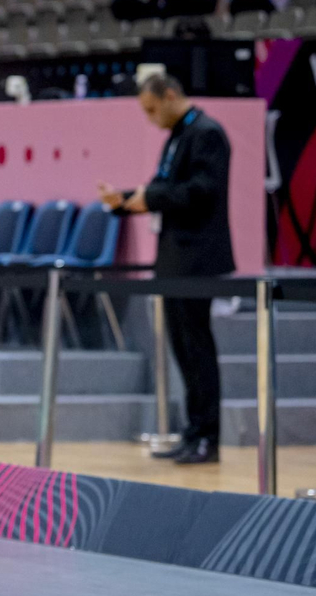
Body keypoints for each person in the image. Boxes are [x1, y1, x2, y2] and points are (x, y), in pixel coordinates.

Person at [97, 74, 233, 465]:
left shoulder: (207, 133)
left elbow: (201, 191)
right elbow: (159, 187)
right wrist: (122, 200)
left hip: (196, 258)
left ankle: (209, 436)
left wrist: (150, 197)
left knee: (197, 348)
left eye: (153, 109)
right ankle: (193, 433)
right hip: (173, 258)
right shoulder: (177, 134)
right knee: (182, 350)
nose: (152, 118)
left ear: (170, 95)